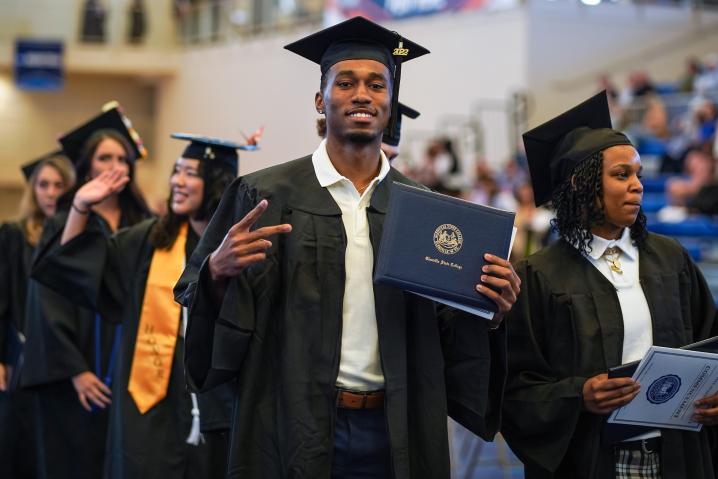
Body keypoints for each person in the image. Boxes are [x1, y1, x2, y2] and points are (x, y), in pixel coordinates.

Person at [174, 16, 520, 479]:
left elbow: (444, 335)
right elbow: (200, 308)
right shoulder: (263, 195)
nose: (363, 94)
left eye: (377, 84)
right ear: (321, 99)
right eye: (347, 82)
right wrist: (215, 274)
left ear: (390, 102)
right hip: (289, 424)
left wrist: (489, 313)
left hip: (393, 429)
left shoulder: (425, 212)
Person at [501, 91, 718, 478]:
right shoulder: (541, 276)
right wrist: (578, 395)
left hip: (678, 456)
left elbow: (710, 346)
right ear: (582, 186)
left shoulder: (672, 260)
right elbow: (516, 387)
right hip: (591, 460)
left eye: (637, 174)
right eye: (621, 175)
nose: (637, 185)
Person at [31, 133, 256, 478]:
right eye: (176, 171)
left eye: (191, 173)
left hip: (219, 405)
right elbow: (76, 268)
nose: (177, 182)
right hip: (151, 408)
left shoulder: (242, 247)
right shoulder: (149, 240)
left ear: (217, 184)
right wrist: (80, 206)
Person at [22, 105, 152, 479]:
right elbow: (48, 297)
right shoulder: (65, 222)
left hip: (130, 366)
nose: (114, 164)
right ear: (88, 166)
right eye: (104, 157)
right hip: (73, 369)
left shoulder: (144, 224)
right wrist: (75, 370)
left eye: (121, 158)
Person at [0, 152, 75, 479]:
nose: (51, 192)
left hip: (64, 357)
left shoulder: (76, 239)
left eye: (59, 184)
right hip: (22, 354)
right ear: (33, 190)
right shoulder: (13, 235)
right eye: (43, 184)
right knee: (20, 443)